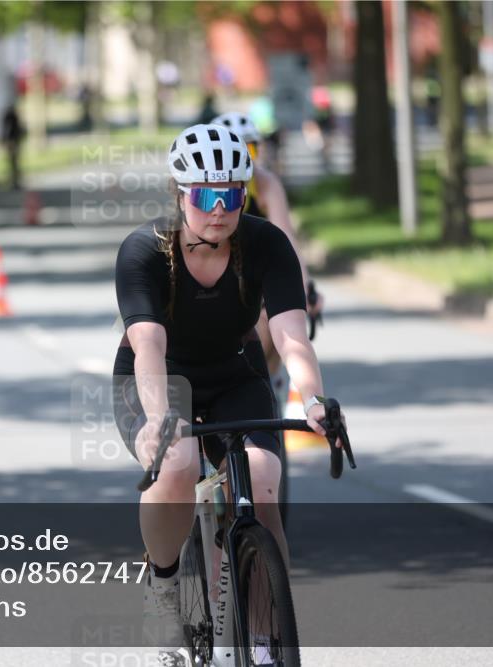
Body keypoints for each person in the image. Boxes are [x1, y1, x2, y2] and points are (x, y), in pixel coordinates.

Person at [113, 124, 345, 664]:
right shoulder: (143, 250)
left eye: (232, 195)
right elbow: (147, 344)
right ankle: (164, 588)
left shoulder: (265, 243)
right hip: (157, 380)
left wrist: (312, 400)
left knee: (262, 480)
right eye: (205, 196)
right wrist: (158, 418)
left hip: (235, 375)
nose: (219, 209)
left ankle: (264, 637)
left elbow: (292, 337)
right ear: (180, 194)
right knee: (177, 461)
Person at [211, 111, 324, 399]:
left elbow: (285, 238)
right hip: (216, 270)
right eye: (236, 150)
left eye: (250, 149)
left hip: (254, 268)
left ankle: (266, 395)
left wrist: (305, 288)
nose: (244, 159)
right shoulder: (202, 189)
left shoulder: (265, 183)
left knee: (270, 334)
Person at [0, 104, 24, 190]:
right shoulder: (12, 117)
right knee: (13, 163)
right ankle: (13, 181)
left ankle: (14, 181)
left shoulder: (11, 118)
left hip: (13, 142)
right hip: (13, 142)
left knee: (13, 163)